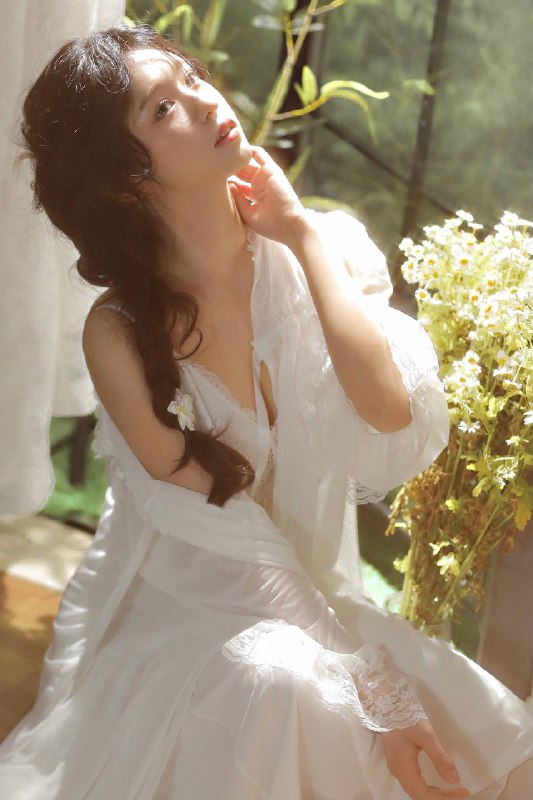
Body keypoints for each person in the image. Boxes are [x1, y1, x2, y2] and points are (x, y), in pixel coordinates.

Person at [1, 24, 532, 800]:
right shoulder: (117, 336)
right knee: (284, 685)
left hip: (322, 597)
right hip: (200, 608)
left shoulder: (322, 249)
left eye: (190, 78)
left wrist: (300, 233)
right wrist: (371, 684)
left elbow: (389, 412)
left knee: (491, 752)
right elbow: (225, 533)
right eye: (161, 108)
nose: (201, 99)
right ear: (122, 181)